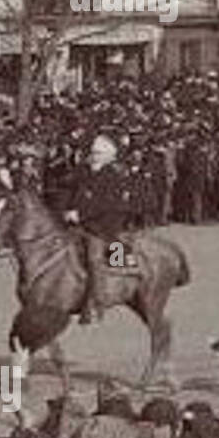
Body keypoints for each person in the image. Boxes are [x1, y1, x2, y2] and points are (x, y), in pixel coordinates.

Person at [65, 135, 133, 325]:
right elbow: (77, 194)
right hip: (83, 223)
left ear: (108, 157)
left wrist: (79, 214)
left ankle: (97, 303)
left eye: (98, 154)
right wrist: (69, 210)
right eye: (93, 153)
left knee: (94, 259)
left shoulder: (112, 176)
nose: (94, 156)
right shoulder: (86, 172)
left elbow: (103, 204)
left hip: (103, 225)